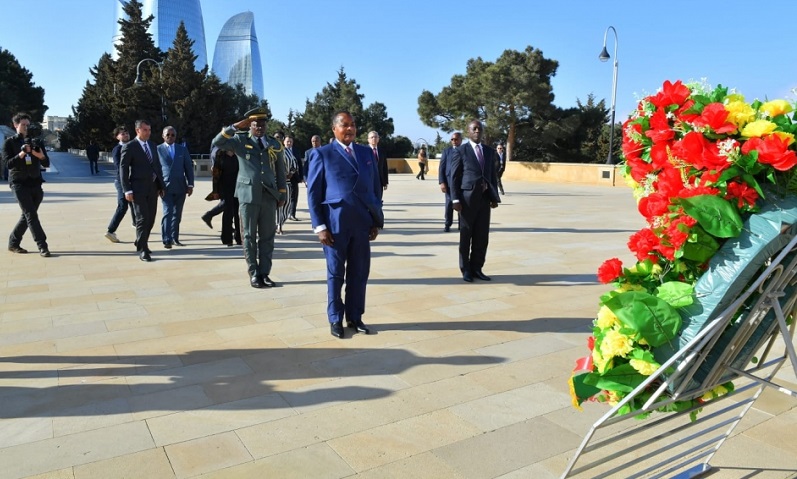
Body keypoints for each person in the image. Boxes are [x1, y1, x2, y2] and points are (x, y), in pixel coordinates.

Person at [307, 111, 383, 339]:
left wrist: (375, 221)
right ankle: (335, 318)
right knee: (335, 274)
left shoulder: (366, 152)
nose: (349, 129)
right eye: (344, 125)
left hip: (361, 223)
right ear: (334, 129)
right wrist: (319, 226)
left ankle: (355, 316)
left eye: (352, 125)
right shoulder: (322, 154)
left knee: (359, 273)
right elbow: (313, 194)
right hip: (334, 226)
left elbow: (375, 189)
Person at [212, 107, 287, 289]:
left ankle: (265, 273)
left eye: (262, 124)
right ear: (249, 125)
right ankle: (253, 273)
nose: (259, 127)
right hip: (247, 195)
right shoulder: (239, 140)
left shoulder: (275, 144)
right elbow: (218, 142)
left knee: (268, 237)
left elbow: (280, 170)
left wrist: (282, 192)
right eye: (255, 124)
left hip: (269, 196)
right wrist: (236, 126)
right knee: (248, 236)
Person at [450, 120, 500, 282]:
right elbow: (454, 177)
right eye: (474, 128)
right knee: (466, 235)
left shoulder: (489, 151)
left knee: (482, 236)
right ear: (468, 132)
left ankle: (477, 268)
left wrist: (494, 197)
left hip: (484, 200)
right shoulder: (461, 151)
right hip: (466, 200)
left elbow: (492, 175)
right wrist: (455, 199)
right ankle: (466, 270)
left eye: (480, 128)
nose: (478, 131)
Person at [3, 112, 51, 257]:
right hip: (19, 183)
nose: (25, 127)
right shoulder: (10, 143)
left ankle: (13, 243)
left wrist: (39, 155)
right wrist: (21, 154)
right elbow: (8, 164)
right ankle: (42, 245)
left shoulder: (36, 142)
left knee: (28, 215)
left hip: (35, 183)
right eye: (23, 125)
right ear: (15, 125)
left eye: (27, 125)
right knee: (31, 215)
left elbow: (46, 163)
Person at [120, 119, 165, 262]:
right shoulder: (130, 146)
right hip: (137, 189)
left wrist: (161, 186)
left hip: (152, 188)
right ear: (137, 130)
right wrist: (127, 190)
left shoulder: (152, 145)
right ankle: (143, 249)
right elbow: (123, 169)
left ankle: (141, 240)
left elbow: (157, 167)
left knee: (151, 219)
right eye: (145, 130)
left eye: (150, 130)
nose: (148, 133)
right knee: (142, 219)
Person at [157, 126, 194, 248]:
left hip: (180, 187)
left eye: (173, 135)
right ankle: (166, 239)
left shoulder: (182, 149)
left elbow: (188, 167)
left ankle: (175, 238)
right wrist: (157, 186)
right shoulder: (158, 149)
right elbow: (154, 170)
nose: (170, 137)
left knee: (177, 214)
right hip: (165, 187)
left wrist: (190, 184)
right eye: (168, 135)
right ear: (163, 136)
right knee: (167, 213)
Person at [105, 126, 137, 243]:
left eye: (127, 133)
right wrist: (125, 184)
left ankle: (136, 223)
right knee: (123, 205)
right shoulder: (117, 149)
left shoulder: (133, 147)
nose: (125, 135)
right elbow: (120, 168)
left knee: (134, 203)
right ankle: (110, 230)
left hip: (133, 180)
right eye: (122, 134)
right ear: (117, 136)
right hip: (122, 182)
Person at [207, 146, 241, 246]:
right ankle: (227, 239)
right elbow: (216, 174)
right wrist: (215, 191)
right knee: (228, 213)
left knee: (238, 213)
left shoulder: (239, 155)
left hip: (238, 187)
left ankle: (239, 238)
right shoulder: (220, 155)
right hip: (224, 188)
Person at [438, 132, 462, 232]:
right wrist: (442, 182)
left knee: (461, 204)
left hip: (461, 183)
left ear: (461, 140)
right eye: (452, 139)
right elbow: (441, 168)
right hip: (449, 183)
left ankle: (462, 225)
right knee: (449, 205)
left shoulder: (465, 151)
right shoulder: (446, 151)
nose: (454, 141)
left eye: (456, 139)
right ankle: (447, 224)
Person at [276, 135, 298, 234]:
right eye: (276, 138)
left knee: (287, 203)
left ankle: (281, 221)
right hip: (275, 182)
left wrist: (291, 173)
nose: (278, 140)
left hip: (287, 182)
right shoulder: (271, 151)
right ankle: (278, 226)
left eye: (279, 138)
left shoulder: (288, 152)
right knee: (278, 205)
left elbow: (295, 165)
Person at [285, 136, 302, 221]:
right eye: (287, 141)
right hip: (283, 178)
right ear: (284, 142)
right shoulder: (281, 151)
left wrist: (301, 177)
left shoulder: (296, 151)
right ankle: (284, 214)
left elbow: (299, 164)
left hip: (294, 177)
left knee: (294, 197)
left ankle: (292, 214)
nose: (289, 143)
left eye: (290, 142)